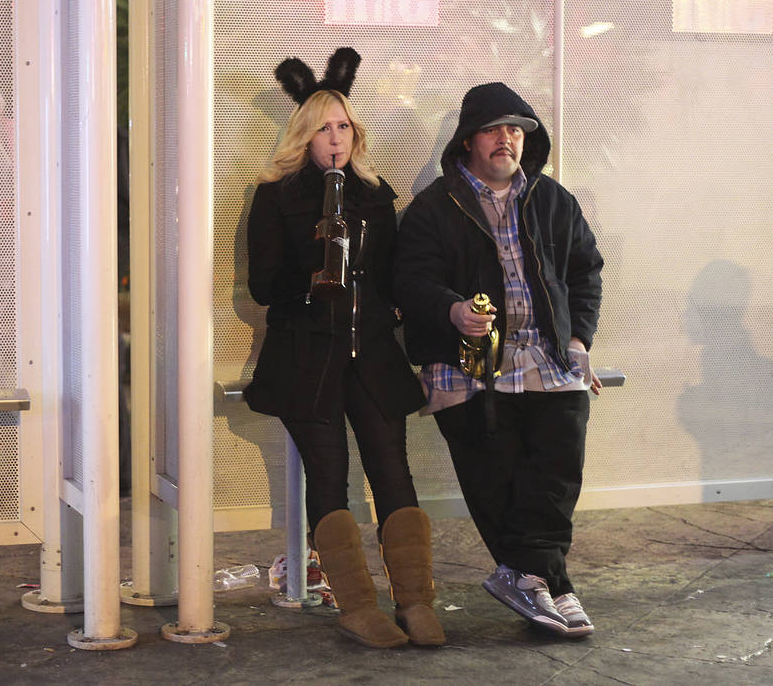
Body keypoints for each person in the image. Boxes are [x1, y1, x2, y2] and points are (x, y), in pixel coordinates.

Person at [244, 48, 444, 649]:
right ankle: (357, 606)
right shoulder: (276, 195)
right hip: (308, 357)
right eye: (324, 128)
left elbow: (390, 276)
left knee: (392, 470)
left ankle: (415, 601)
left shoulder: (374, 194)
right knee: (328, 479)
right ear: (304, 135)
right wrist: (312, 275)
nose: (335, 137)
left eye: (343, 126)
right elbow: (262, 286)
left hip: (372, 354)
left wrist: (389, 307)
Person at [394, 82, 603, 637]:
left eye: (516, 129)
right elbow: (409, 281)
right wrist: (453, 310)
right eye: (493, 129)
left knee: (559, 465)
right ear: (468, 141)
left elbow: (585, 273)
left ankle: (535, 579)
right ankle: (554, 584)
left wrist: (578, 339)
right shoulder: (434, 207)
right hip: (469, 362)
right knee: (497, 476)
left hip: (548, 357)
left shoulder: (553, 200)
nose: (506, 139)